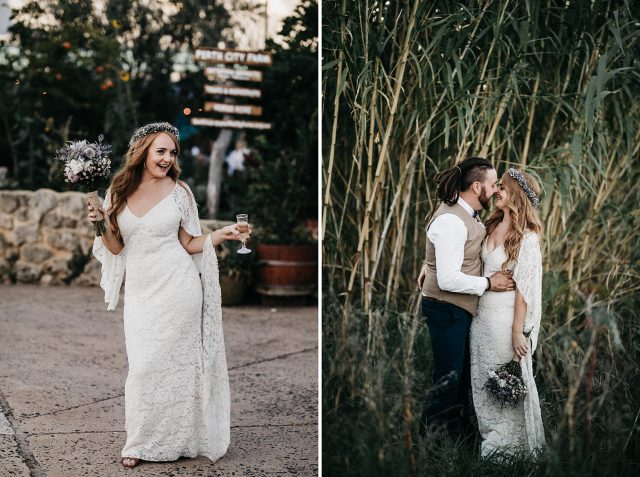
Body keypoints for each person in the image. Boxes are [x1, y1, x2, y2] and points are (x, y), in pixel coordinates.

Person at [87, 122, 247, 468]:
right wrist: (98, 223)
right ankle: (141, 439)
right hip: (142, 293)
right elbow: (116, 248)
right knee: (143, 367)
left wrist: (223, 234)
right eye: (161, 151)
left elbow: (190, 243)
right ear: (142, 151)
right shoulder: (118, 191)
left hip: (179, 288)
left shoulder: (180, 192)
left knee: (176, 368)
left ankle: (174, 440)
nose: (167, 158)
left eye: (172, 152)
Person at [417, 156, 515, 439]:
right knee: (447, 380)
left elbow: (448, 256)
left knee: (457, 379)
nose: (496, 189)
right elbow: (448, 279)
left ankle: (459, 437)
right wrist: (488, 283)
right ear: (476, 186)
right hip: (445, 308)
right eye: (493, 184)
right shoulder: (452, 221)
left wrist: (429, 264)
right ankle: (426, 445)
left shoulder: (464, 215)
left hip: (455, 309)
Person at [470, 168, 546, 458]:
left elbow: (524, 291)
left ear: (515, 193)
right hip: (480, 323)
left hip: (504, 324)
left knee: (503, 385)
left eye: (502, 185)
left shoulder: (527, 239)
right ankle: (489, 439)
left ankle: (507, 451)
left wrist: (517, 332)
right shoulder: (488, 227)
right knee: (483, 387)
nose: (496, 189)